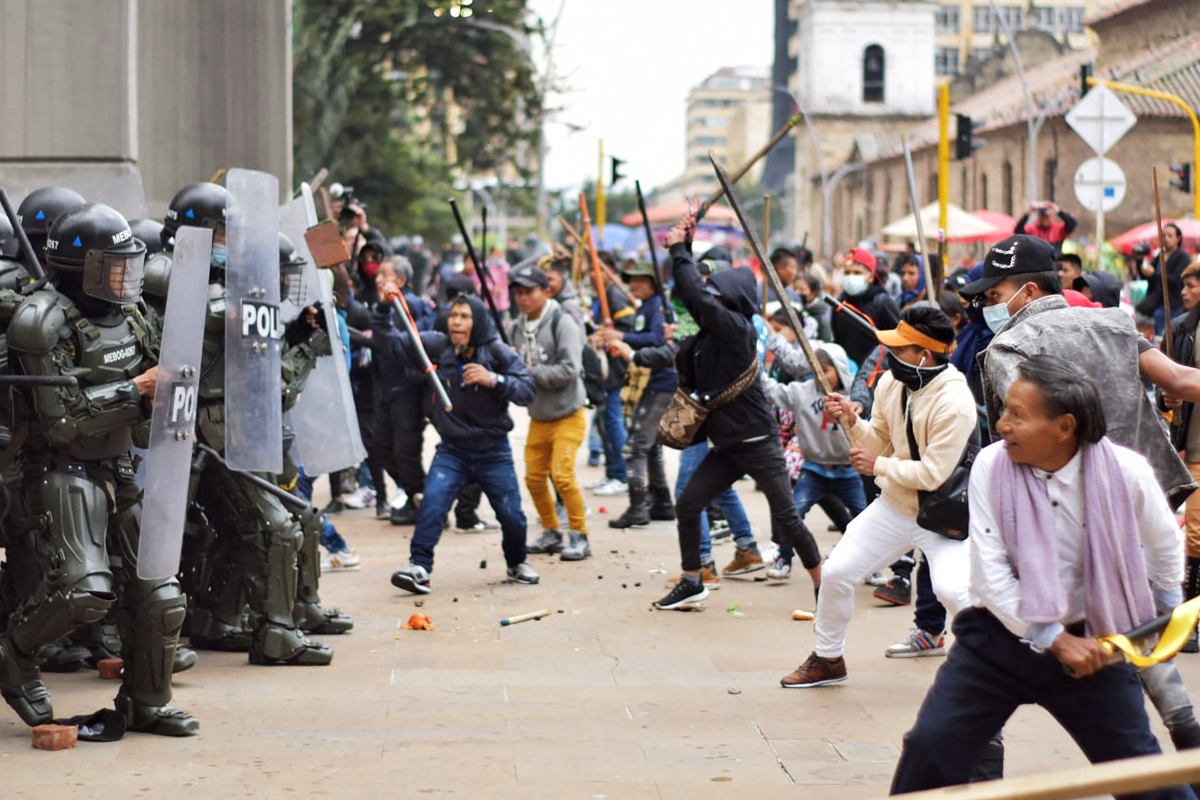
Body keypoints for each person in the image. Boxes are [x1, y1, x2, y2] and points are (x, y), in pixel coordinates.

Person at [889, 356, 1193, 799]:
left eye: (1017, 414)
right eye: (1004, 409)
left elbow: (1164, 543)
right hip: (997, 643)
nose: (1002, 423)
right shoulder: (992, 466)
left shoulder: (1126, 473)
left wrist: (1167, 613)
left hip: (1094, 645)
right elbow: (989, 574)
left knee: (1140, 771)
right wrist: (1052, 636)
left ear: (1064, 427)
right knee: (931, 747)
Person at [0, 203, 198, 734]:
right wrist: (137, 392)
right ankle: (13, 651)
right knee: (84, 591)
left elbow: (157, 386)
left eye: (129, 264)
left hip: (119, 465)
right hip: (59, 471)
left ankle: (146, 701)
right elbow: (60, 422)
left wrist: (171, 409)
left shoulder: (131, 315)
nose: (127, 276)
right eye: (114, 266)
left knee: (160, 591)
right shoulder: (41, 323)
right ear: (81, 268)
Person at [781, 306, 977, 687]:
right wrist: (853, 423)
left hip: (944, 518)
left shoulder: (954, 401)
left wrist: (879, 466)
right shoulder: (892, 382)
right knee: (836, 573)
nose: (890, 354)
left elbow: (934, 473)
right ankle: (828, 658)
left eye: (900, 348)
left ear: (924, 354)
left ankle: (988, 670)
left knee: (955, 593)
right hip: (895, 507)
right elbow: (882, 439)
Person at [652, 211, 822, 611]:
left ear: (730, 299)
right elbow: (691, 295)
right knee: (689, 503)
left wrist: (678, 249)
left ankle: (822, 584)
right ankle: (693, 581)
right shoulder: (715, 328)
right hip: (727, 444)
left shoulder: (735, 328)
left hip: (758, 442)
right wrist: (686, 248)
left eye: (716, 291)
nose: (708, 295)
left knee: (789, 518)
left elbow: (697, 296)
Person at [968, 234, 1199, 508]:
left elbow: (1031, 421)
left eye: (995, 295)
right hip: (1141, 493)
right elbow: (1177, 379)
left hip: (1062, 505)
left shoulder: (1007, 346)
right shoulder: (1114, 321)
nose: (988, 307)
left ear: (1029, 291)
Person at [378, 291, 540, 594]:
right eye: (454, 315)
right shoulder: (438, 346)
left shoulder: (497, 352)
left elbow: (527, 390)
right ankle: (419, 568)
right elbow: (392, 341)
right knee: (432, 506)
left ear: (477, 322)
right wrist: (385, 308)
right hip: (453, 451)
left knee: (512, 516)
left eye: (465, 317)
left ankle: (517, 563)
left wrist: (494, 379)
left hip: (494, 451)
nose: (457, 322)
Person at [761, 343, 867, 579]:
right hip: (813, 469)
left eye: (826, 370)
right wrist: (755, 371)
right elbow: (774, 391)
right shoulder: (801, 392)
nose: (820, 376)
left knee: (864, 519)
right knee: (793, 514)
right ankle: (784, 559)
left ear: (839, 369)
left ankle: (870, 567)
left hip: (847, 470)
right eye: (815, 370)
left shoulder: (856, 397)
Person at [507, 265, 591, 561]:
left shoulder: (562, 322)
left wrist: (529, 371)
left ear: (546, 291)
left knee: (563, 477)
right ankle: (551, 532)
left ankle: (580, 536)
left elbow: (570, 369)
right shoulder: (516, 327)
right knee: (533, 478)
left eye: (529, 292)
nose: (523, 298)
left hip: (568, 414)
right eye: (518, 292)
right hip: (538, 417)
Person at [599, 262, 677, 529]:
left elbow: (657, 339)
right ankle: (662, 503)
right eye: (632, 281)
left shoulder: (659, 307)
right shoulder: (644, 307)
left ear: (654, 283)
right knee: (650, 446)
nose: (635, 286)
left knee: (636, 447)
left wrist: (621, 336)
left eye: (641, 281)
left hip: (662, 384)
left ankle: (638, 507)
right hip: (649, 382)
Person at [371, 257, 436, 526]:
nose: (377, 279)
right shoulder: (381, 307)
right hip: (386, 387)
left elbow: (422, 341)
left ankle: (423, 500)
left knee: (406, 447)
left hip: (408, 388)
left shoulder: (417, 305)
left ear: (400, 280)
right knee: (380, 446)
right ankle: (414, 492)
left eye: (384, 275)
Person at [1160, 261, 1200, 652]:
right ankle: (1191, 619)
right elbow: (1166, 383)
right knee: (1196, 535)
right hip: (1196, 445)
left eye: (1192, 285)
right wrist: (1168, 397)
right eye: (1184, 285)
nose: (1185, 291)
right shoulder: (1182, 329)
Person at [832, 247, 900, 367]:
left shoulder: (883, 303)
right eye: (847, 273)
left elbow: (897, 343)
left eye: (857, 273)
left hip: (876, 375)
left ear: (871, 277)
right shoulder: (840, 305)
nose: (851, 277)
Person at [1138, 222, 1191, 335]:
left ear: (1178, 238)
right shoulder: (1160, 256)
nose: (1166, 239)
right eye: (1163, 236)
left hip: (1173, 305)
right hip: (1156, 304)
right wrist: (1140, 261)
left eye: (1170, 235)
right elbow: (1147, 277)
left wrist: (1155, 274)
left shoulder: (1182, 257)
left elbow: (1178, 280)